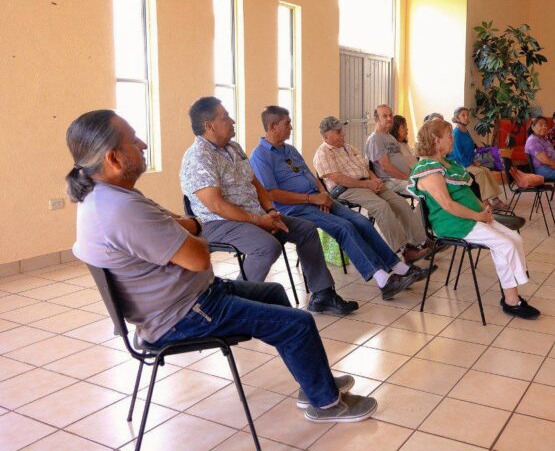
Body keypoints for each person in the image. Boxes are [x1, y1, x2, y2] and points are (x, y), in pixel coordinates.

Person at [67, 110, 376, 422]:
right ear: (113, 158)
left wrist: (187, 227)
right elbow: (199, 256)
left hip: (189, 298)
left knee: (273, 293)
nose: (143, 144)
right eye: (134, 141)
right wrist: (194, 229)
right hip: (183, 314)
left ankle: (314, 383)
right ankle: (326, 403)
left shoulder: (109, 196)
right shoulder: (122, 209)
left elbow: (180, 223)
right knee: (298, 323)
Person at [179, 97, 356, 315]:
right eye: (225, 117)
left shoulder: (234, 148)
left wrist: (271, 211)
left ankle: (323, 295)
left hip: (255, 215)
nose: (232, 120)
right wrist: (258, 221)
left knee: (306, 230)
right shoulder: (198, 156)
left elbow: (256, 184)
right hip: (219, 222)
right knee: (266, 246)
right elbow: (216, 205)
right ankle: (235, 307)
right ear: (209, 126)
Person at [250, 106, 428, 302]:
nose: (291, 127)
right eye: (287, 123)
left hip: (318, 199)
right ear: (273, 126)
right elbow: (272, 194)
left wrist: (322, 194)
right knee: (344, 227)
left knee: (361, 221)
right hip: (295, 208)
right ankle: (383, 280)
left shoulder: (290, 150)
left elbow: (310, 175)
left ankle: (398, 266)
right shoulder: (260, 155)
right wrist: (312, 199)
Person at [409, 118, 540, 319]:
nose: (452, 139)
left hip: (471, 217)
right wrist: (479, 215)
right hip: (453, 223)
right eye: (449, 136)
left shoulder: (445, 162)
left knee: (514, 238)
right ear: (436, 140)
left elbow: (465, 194)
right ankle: (512, 301)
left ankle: (512, 289)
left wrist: (483, 210)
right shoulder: (428, 168)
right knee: (505, 245)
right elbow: (448, 205)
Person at [312, 115, 432, 263]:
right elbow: (338, 179)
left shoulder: (348, 147)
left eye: (341, 130)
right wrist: (366, 184)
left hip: (366, 183)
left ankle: (422, 241)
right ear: (326, 136)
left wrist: (374, 179)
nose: (343, 134)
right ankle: (405, 251)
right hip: (347, 189)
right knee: (382, 207)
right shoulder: (322, 153)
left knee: (400, 203)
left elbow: (365, 168)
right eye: (338, 132)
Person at [450, 107, 507, 210]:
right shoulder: (456, 133)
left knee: (486, 170)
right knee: (480, 173)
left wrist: (474, 161)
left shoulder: (466, 131)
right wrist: (471, 163)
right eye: (463, 115)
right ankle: (486, 204)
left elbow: (472, 149)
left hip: (469, 162)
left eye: (467, 115)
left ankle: (496, 200)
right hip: (460, 165)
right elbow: (459, 155)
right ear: (457, 118)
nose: (466, 117)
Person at [364, 104, 412, 194]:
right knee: (425, 189)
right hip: (391, 181)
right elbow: (386, 167)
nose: (389, 118)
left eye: (390, 115)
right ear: (377, 119)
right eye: (385, 116)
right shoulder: (375, 139)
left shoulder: (390, 137)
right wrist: (407, 177)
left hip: (402, 178)